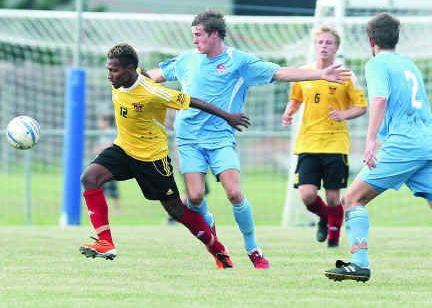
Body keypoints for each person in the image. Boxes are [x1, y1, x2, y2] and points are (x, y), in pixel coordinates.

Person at [145, 9, 351, 269]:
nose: (194, 40)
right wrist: (127, 76)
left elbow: (280, 73)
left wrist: (319, 74)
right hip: (187, 139)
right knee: (195, 198)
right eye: (193, 35)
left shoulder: (239, 62)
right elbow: (154, 76)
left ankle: (253, 248)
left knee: (234, 192)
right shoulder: (187, 60)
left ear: (215, 35)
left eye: (198, 35)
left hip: (220, 138)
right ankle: (211, 229)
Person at [324, 13, 432, 285]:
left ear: (371, 41)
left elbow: (379, 100)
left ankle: (359, 264)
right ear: (396, 38)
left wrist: (370, 142)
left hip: (404, 144)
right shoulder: (409, 64)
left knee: (352, 199)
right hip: (430, 145)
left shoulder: (377, 63)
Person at [79, 43, 251, 270]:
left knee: (176, 210)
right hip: (123, 149)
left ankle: (216, 247)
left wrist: (227, 116)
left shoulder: (152, 91)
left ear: (130, 69)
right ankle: (106, 242)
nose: (109, 75)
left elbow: (192, 101)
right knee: (89, 179)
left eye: (114, 70)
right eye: (108, 69)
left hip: (153, 160)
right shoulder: (121, 81)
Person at [282, 25, 367, 248]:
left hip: (335, 143)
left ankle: (333, 239)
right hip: (308, 142)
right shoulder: (304, 73)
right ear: (315, 45)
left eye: (329, 43)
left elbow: (361, 106)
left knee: (332, 197)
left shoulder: (347, 76)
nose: (324, 46)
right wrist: (289, 110)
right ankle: (324, 218)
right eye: (320, 42)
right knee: (307, 195)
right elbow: (296, 98)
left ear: (337, 47)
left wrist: (343, 114)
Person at [93, 113, 121, 214]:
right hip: (102, 164)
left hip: (110, 165)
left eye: (101, 121)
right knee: (99, 186)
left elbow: (111, 145)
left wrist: (101, 149)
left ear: (106, 122)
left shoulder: (110, 132)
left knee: (113, 187)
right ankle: (100, 208)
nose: (99, 123)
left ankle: (117, 209)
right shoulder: (101, 133)